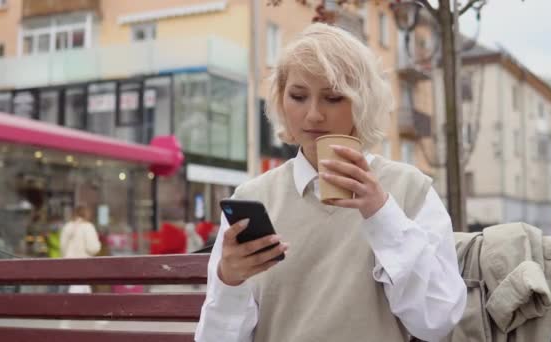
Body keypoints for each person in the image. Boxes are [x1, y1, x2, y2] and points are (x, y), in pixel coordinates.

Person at [195, 23, 466, 342]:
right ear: (282, 101)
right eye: (298, 96)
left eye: (333, 97)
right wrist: (230, 281)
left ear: (362, 102)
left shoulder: (410, 188)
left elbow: (436, 320)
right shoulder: (255, 198)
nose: (313, 115)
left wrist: (382, 214)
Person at [60, 205, 101, 293]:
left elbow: (62, 248)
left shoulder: (67, 227)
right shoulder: (88, 227)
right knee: (81, 293)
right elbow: (93, 248)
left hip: (68, 266)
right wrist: (99, 244)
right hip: (83, 267)